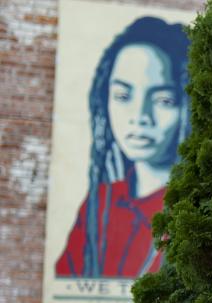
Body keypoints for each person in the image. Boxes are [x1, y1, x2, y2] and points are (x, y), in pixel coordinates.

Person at [55, 16, 190, 279]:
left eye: (163, 100)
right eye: (123, 96)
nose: (140, 116)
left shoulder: (198, 209)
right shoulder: (99, 204)